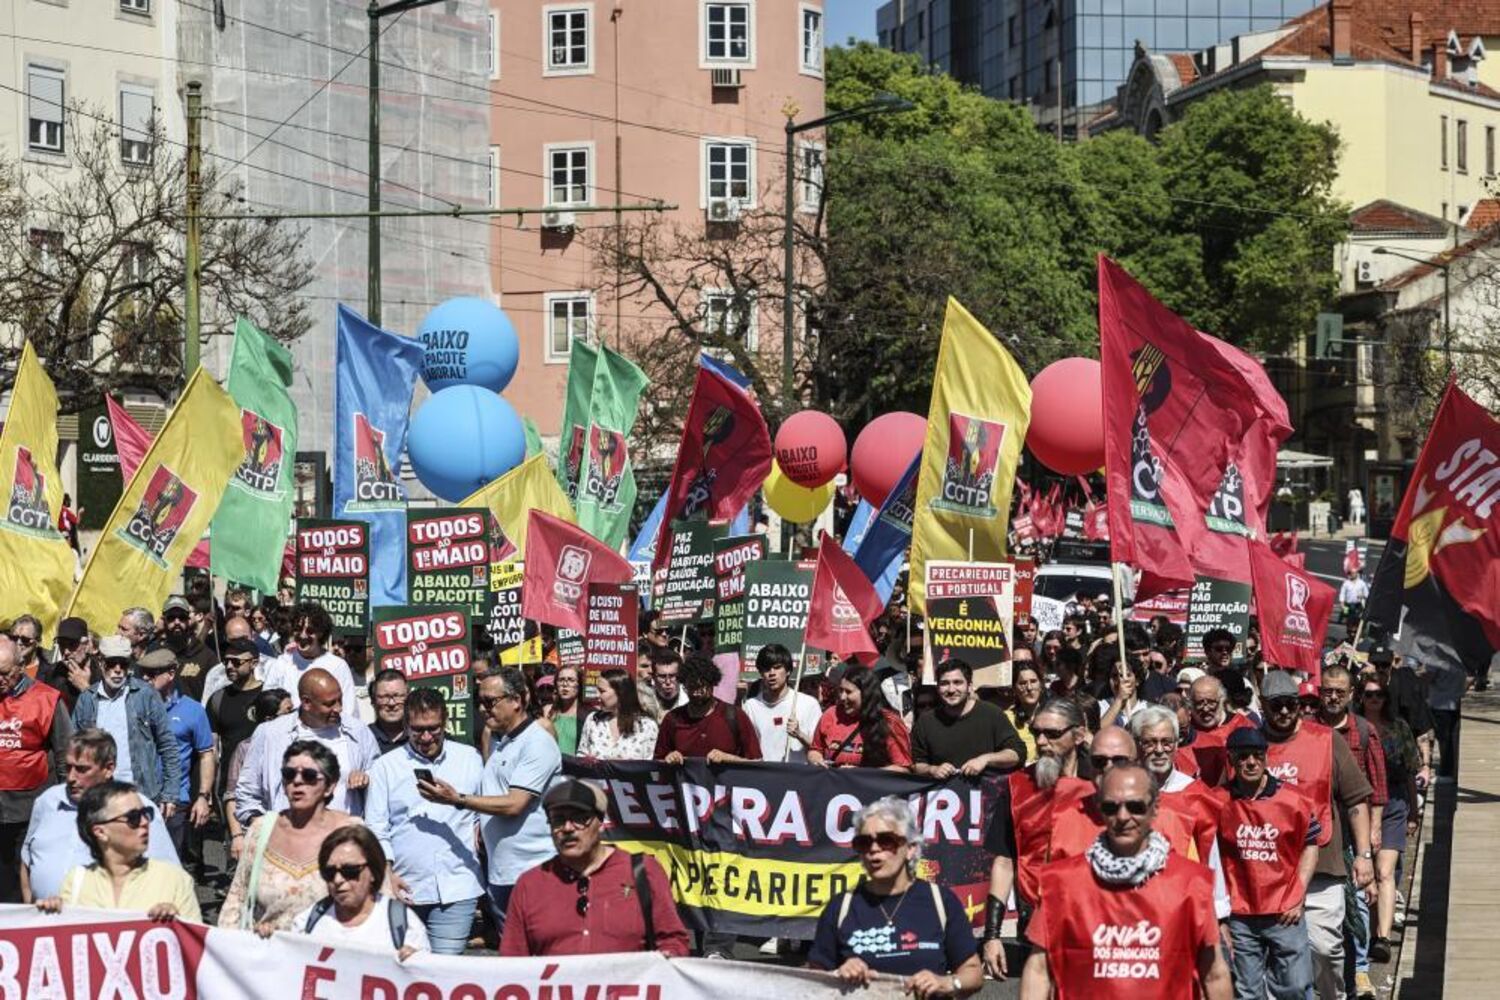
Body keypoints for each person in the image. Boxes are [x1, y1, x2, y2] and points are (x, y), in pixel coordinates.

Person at [1018, 765, 1232, 1000]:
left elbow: (1214, 975)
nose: (1122, 817)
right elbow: (1038, 970)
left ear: (1155, 808)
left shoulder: (1191, 883)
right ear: (1099, 808)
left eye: (1135, 807)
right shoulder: (1061, 883)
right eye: (1111, 807)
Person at [1260, 669, 1374, 1000]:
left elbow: (1356, 800)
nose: (1284, 711)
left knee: (1324, 949)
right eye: (1276, 705)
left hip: (1323, 865)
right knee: (1277, 959)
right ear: (1263, 705)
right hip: (1267, 870)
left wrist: (1364, 855)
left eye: (1291, 703)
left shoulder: (1327, 740)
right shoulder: (1251, 744)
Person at [809, 797, 982, 997]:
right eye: (864, 842)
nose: (874, 849)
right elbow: (813, 978)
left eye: (886, 841)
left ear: (910, 849)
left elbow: (973, 973)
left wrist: (946, 983)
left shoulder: (940, 901)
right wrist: (838, 973)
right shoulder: (841, 907)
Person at [500, 778, 690, 957]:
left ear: (600, 823)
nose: (567, 828)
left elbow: (673, 940)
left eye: (579, 818)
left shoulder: (643, 872)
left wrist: (668, 958)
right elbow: (512, 960)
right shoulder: (530, 884)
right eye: (558, 820)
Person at [980, 698, 1095, 981]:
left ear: (1079, 735)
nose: (1041, 742)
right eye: (1036, 733)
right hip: (1036, 923)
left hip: (1094, 921)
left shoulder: (1101, 784)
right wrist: (992, 935)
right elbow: (1004, 861)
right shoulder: (1017, 786)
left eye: (1052, 734)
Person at [363, 687, 484, 955]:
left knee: (444, 969)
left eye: (433, 728)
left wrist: (478, 825)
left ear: (445, 723)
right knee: (405, 967)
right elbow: (376, 827)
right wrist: (387, 875)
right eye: (418, 730)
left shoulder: (470, 759)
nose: (426, 737)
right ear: (406, 726)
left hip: (457, 886)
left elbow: (483, 809)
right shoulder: (385, 766)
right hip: (405, 886)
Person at [1213, 727, 1319, 1000]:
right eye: (1243, 756)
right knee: (1247, 991)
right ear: (1231, 759)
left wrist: (1298, 894)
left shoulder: (1295, 799)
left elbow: (1311, 845)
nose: (1250, 762)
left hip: (1284, 908)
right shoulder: (1216, 800)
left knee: (1295, 985)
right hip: (1240, 912)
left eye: (1257, 755)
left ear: (1266, 757)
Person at [460, 667, 562, 937]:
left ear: (516, 700)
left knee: (543, 953)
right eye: (480, 701)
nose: (482, 709)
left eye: (490, 702)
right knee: (514, 954)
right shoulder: (500, 742)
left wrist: (458, 800)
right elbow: (495, 790)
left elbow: (515, 803)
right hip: (502, 872)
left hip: (534, 871)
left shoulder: (537, 742)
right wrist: (480, 822)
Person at [20, 728, 179, 902]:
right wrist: (29, 909)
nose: (71, 777)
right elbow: (27, 861)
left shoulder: (137, 809)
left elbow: (170, 879)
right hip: (43, 917)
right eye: (68, 767)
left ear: (108, 769)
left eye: (81, 769)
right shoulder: (47, 802)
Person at [221, 741, 361, 933]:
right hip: (267, 948)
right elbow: (237, 899)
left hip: (330, 949)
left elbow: (376, 905)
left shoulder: (352, 832)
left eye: (309, 776)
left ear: (330, 786)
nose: (297, 781)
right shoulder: (261, 829)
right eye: (289, 774)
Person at [35, 780, 200, 922]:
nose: (145, 822)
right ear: (100, 832)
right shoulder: (77, 881)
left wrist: (178, 925)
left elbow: (198, 945)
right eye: (133, 818)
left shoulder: (175, 880)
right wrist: (51, 918)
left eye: (146, 813)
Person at [234, 669, 379, 822]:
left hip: (344, 833)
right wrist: (262, 826)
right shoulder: (270, 734)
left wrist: (366, 777)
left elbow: (380, 780)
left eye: (340, 700)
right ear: (306, 703)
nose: (338, 708)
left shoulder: (357, 731)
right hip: (288, 834)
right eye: (329, 704)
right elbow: (247, 791)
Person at [72, 636, 180, 829]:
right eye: (112, 663)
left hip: (140, 795)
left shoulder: (145, 694)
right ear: (100, 662)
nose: (118, 670)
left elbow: (167, 745)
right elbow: (75, 750)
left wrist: (170, 794)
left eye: (123, 663)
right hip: (98, 797)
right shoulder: (87, 700)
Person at [0, 635, 72, 903]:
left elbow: (65, 754)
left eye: (4, 673)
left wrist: (66, 801)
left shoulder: (47, 699)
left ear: (20, 667)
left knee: (23, 882)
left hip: (29, 808)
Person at [293, 824, 430, 960]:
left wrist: (415, 962)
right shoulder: (306, 924)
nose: (338, 879)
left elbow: (427, 970)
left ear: (373, 872)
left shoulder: (406, 927)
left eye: (350, 870)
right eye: (329, 872)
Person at [1356, 674, 1420, 968]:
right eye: (1369, 694)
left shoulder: (1399, 728)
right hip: (1360, 805)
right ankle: (1368, 933)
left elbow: (1409, 770)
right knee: (1366, 874)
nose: (1374, 700)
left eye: (1379, 694)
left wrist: (1413, 811)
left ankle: (1382, 938)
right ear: (1360, 697)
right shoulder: (1353, 728)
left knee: (1384, 872)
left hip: (1394, 802)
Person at [135, 647, 216, 860]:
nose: (145, 678)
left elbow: (206, 755)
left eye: (152, 674)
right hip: (139, 795)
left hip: (175, 799)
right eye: (143, 673)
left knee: (171, 862)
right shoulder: (134, 707)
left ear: (171, 673)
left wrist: (203, 797)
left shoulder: (193, 711)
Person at [911, 657, 1025, 778]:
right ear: (938, 688)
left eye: (957, 682)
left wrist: (985, 760)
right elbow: (915, 764)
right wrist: (932, 769)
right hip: (943, 790)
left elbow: (1017, 754)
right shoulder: (925, 722)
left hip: (987, 789)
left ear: (969, 686)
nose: (951, 690)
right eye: (944, 683)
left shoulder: (992, 714)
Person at [222, 688, 293, 860]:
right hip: (259, 833)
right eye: (288, 712)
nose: (294, 717)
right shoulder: (246, 748)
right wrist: (237, 836)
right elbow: (232, 796)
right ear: (269, 720)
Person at [655, 656, 762, 764]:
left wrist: (729, 758)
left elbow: (757, 763)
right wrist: (669, 758)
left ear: (712, 684)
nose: (696, 693)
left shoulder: (735, 716)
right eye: (692, 687)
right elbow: (657, 763)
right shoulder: (673, 719)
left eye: (701, 687)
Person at [263, 603, 358, 718]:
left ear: (321, 633)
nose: (303, 635)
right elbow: (266, 703)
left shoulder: (337, 666)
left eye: (310, 631)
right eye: (298, 629)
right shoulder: (282, 663)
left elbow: (349, 711)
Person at [808, 663, 909, 770]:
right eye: (841, 690)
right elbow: (815, 750)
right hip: (834, 780)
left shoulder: (889, 722)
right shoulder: (830, 714)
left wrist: (861, 773)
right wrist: (817, 760)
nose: (842, 697)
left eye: (848, 692)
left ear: (866, 693)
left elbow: (903, 769)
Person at [741, 644, 822, 763]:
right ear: (761, 673)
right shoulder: (750, 706)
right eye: (767, 669)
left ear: (788, 670)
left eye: (777, 667)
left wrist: (799, 734)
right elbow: (746, 749)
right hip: (764, 772)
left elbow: (821, 749)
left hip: (797, 773)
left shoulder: (809, 704)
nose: (772, 673)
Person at [206, 637, 267, 775]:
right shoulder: (217, 699)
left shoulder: (267, 696)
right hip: (229, 781)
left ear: (254, 663)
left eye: (236, 662)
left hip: (261, 779)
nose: (229, 666)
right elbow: (212, 749)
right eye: (226, 661)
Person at [1186, 674, 1254, 787]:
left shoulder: (1242, 726)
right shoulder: (1186, 730)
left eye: (1211, 702)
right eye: (1199, 703)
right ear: (1191, 704)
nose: (1206, 709)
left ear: (1222, 700)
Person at [577, 667, 660, 760]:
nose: (597, 695)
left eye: (602, 691)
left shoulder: (646, 726)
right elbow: (581, 755)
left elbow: (651, 763)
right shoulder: (593, 720)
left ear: (620, 692)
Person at [200, 616, 271, 706]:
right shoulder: (215, 675)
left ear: (252, 637)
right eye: (233, 641)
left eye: (243, 639)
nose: (239, 645)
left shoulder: (272, 668)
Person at [158, 595, 217, 701]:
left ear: (189, 620)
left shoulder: (207, 657)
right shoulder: (155, 655)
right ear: (164, 621)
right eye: (171, 617)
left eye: (182, 617)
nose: (177, 622)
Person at [39, 617, 98, 711]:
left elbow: (105, 713)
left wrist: (85, 688)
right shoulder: (53, 672)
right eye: (62, 645)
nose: (66, 652)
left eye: (72, 645)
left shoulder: (102, 674)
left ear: (86, 645)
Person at [1006, 661, 1044, 763]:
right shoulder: (1006, 719)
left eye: (1033, 681)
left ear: (1041, 684)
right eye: (1022, 683)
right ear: (1014, 688)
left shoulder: (1054, 715)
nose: (1029, 688)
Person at [542, 663, 584, 755]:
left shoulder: (587, 715)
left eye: (571, 680)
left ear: (579, 684)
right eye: (561, 680)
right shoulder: (547, 711)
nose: (565, 684)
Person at [367, 669, 410, 756]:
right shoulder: (364, 737)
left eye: (397, 696)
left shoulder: (421, 735)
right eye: (384, 697)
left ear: (408, 698)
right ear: (373, 700)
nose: (391, 703)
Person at [648, 648, 688, 717]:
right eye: (662, 676)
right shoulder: (643, 703)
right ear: (653, 677)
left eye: (672, 676)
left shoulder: (690, 701)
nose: (668, 682)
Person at [8, 615, 50, 681]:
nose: (18, 642)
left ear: (38, 642)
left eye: (25, 639)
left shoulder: (49, 673)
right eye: (14, 638)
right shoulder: (3, 665)